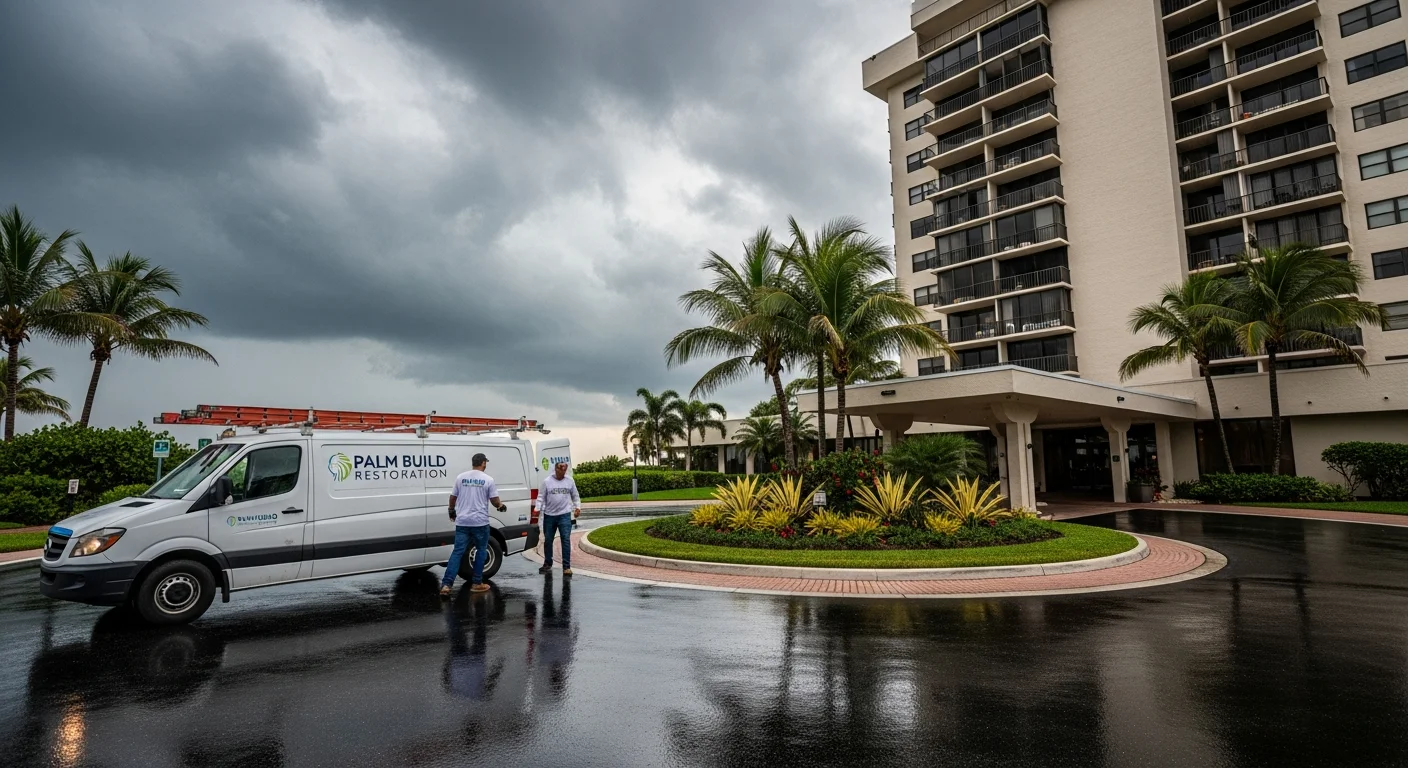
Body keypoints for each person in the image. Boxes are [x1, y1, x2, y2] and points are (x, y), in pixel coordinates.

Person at [442, 452, 506, 596]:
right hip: (480, 522)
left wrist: (451, 511)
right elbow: (495, 501)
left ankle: (446, 585)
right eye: (485, 462)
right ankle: (477, 583)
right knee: (481, 550)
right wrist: (501, 506)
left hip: (463, 522)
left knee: (457, 552)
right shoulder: (488, 479)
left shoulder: (461, 477)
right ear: (483, 463)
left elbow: (453, 498)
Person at [537, 461, 580, 576]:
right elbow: (540, 497)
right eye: (561, 469)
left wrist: (577, 507)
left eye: (565, 469)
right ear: (556, 469)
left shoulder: (569, 481)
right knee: (548, 540)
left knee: (565, 540)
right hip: (549, 515)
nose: (563, 472)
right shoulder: (547, 482)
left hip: (564, 515)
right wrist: (537, 509)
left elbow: (575, 496)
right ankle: (547, 563)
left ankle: (566, 567)